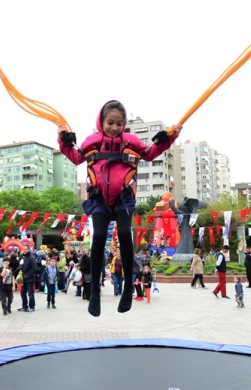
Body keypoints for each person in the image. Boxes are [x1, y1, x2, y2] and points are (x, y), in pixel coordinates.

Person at [57, 100, 181, 316]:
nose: (114, 127)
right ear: (102, 122)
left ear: (124, 124)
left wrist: (170, 136)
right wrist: (63, 139)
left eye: (119, 123)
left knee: (125, 233)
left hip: (124, 197)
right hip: (99, 199)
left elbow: (151, 153)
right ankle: (94, 290)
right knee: (98, 237)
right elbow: (76, 157)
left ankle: (126, 289)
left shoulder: (132, 141)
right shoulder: (92, 141)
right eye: (110, 122)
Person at [18, 244, 37, 312]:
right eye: (23, 249)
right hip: (24, 278)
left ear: (29, 249)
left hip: (29, 279)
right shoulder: (24, 257)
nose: (24, 250)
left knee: (30, 293)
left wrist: (27, 275)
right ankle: (24, 306)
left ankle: (32, 307)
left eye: (25, 249)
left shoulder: (32, 257)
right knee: (22, 293)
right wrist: (20, 268)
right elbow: (24, 266)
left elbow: (34, 268)